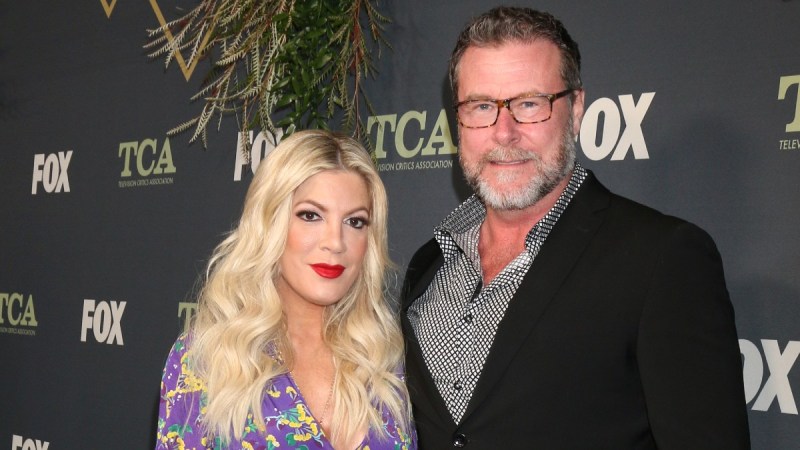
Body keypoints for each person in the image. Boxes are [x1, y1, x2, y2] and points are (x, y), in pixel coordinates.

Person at [401, 6, 750, 449]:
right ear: (459, 119)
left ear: (577, 108)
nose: (503, 133)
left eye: (529, 104)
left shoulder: (662, 259)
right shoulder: (428, 264)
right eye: (482, 106)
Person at [156, 130, 416, 449]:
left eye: (355, 222)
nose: (335, 242)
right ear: (270, 224)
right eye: (311, 215)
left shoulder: (386, 364)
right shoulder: (206, 359)